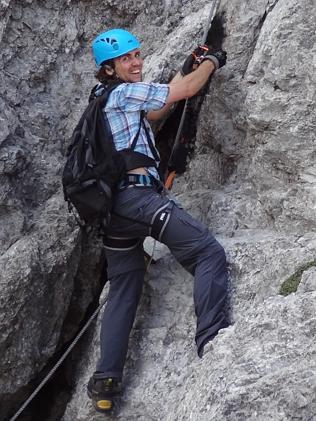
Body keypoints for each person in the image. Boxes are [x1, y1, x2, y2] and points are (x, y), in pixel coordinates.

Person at [87, 28, 229, 413]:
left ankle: (106, 385)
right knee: (207, 253)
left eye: (136, 55)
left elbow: (157, 110)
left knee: (124, 290)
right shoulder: (123, 91)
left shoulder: (104, 99)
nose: (136, 62)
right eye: (126, 59)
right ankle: (213, 344)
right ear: (109, 68)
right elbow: (185, 93)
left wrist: (184, 69)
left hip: (116, 214)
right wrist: (213, 62)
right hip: (139, 201)